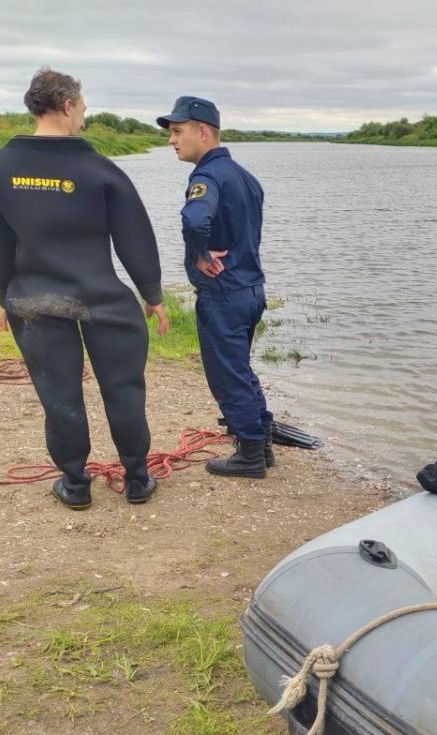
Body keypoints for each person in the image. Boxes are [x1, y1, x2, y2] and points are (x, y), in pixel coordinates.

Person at [0, 68, 169, 510]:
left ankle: (76, 485)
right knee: (124, 389)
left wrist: (6, 296)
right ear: (67, 105)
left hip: (35, 299)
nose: (84, 119)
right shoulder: (98, 170)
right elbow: (134, 235)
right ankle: (137, 479)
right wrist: (152, 295)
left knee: (59, 393)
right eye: (83, 109)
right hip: (104, 301)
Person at [156, 96, 272, 479]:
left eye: (177, 132)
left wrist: (199, 253)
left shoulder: (207, 177)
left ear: (202, 132)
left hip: (223, 293)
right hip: (251, 290)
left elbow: (194, 219)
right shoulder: (245, 177)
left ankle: (250, 456)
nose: (172, 140)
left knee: (227, 375)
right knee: (240, 370)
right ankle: (262, 443)